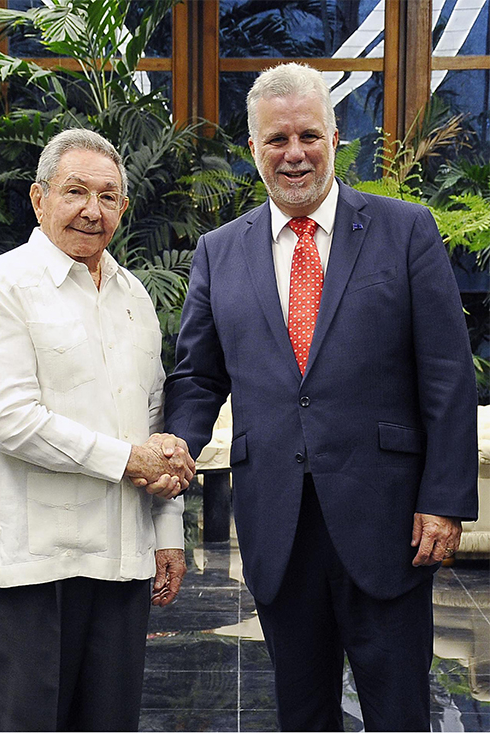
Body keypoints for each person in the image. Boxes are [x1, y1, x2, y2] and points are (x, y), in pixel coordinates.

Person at [164, 63, 479, 732]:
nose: (295, 152)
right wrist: (175, 448)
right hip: (278, 520)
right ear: (253, 148)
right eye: (276, 139)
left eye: (309, 134)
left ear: (336, 137)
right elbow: (197, 375)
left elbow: (447, 373)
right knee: (302, 714)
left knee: (399, 711)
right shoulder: (220, 253)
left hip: (389, 521)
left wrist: (444, 499)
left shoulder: (406, 230)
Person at [0, 128, 195, 732]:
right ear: (40, 200)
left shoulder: (134, 296)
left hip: (121, 561)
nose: (92, 209)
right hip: (29, 568)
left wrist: (168, 532)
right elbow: (10, 421)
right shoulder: (0, 286)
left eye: (108, 196)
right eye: (75, 191)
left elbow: (154, 422)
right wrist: (128, 460)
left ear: (122, 208)